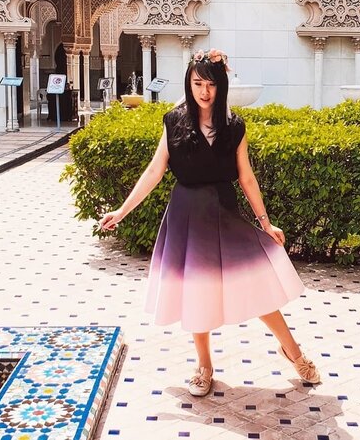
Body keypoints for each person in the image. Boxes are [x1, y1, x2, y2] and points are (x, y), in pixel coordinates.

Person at [99, 48, 320, 396]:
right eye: (197, 83)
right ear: (189, 83)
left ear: (222, 86)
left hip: (224, 212)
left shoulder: (234, 126)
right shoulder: (174, 120)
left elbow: (247, 177)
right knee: (196, 292)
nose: (204, 91)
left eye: (211, 84)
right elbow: (155, 171)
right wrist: (122, 211)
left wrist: (266, 223)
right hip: (187, 214)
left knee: (257, 284)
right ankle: (204, 366)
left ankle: (292, 351)